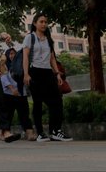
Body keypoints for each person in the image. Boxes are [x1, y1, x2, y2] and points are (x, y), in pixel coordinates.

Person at [23, 12, 73, 142]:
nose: (44, 24)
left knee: (57, 101)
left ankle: (56, 131)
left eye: (45, 22)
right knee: (38, 103)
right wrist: (26, 74)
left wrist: (57, 74)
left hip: (48, 73)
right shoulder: (30, 38)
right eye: (41, 22)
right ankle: (40, 133)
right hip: (35, 72)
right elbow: (25, 57)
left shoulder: (48, 39)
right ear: (34, 23)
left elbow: (52, 58)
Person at [0, 49, 36, 141]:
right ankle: (5, 132)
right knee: (8, 115)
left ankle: (29, 133)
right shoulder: (5, 65)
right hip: (9, 94)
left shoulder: (22, 65)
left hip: (21, 93)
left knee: (24, 114)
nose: (12, 56)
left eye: (14, 54)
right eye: (10, 54)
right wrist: (12, 88)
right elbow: (3, 77)